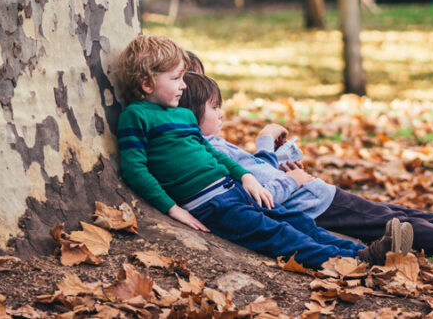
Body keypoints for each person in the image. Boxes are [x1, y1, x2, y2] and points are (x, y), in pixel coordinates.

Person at [178, 70, 433, 260]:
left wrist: (281, 161)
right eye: (216, 108)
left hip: (318, 196)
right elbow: (264, 191)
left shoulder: (209, 143)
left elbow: (261, 176)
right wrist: (278, 161)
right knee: (398, 225)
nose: (223, 115)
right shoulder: (206, 150)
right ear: (192, 114)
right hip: (313, 206)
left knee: (397, 212)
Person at [115, 34, 413, 268]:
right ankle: (350, 263)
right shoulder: (137, 116)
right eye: (176, 78)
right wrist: (172, 208)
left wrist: (246, 177)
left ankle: (367, 252)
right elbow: (134, 169)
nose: (183, 86)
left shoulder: (182, 115)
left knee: (296, 221)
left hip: (233, 189)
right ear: (146, 83)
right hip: (211, 205)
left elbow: (211, 154)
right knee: (277, 235)